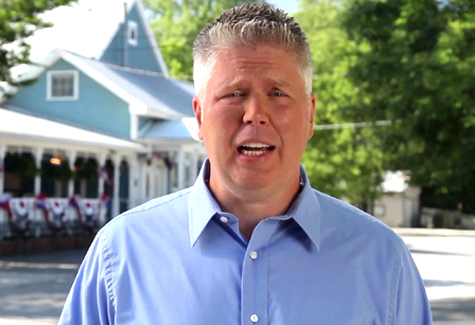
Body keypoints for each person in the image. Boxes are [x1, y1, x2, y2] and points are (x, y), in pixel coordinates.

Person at [58, 3, 432, 324]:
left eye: (278, 93)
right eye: (234, 93)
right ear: (200, 116)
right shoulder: (120, 253)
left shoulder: (382, 260)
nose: (255, 114)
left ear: (311, 116)